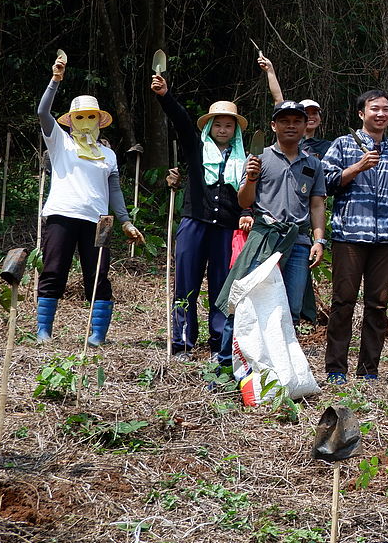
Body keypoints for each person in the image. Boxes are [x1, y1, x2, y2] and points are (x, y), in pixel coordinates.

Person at [36, 53, 144, 345]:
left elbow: (115, 190)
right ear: (71, 121)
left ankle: (97, 335)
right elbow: (43, 113)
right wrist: (56, 79)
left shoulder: (107, 154)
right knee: (53, 271)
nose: (85, 122)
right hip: (61, 214)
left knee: (97, 277)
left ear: (99, 120)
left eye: (90, 117)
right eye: (79, 117)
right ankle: (43, 331)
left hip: (100, 222)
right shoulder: (60, 142)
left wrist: (125, 221)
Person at [151, 72, 247, 362]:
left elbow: (249, 192)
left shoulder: (243, 158)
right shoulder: (197, 148)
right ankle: (182, 341)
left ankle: (219, 342)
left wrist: (246, 212)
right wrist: (165, 96)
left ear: (235, 130)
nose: (222, 129)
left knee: (221, 286)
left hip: (225, 228)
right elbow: (180, 120)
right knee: (186, 284)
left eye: (228, 125)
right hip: (194, 222)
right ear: (210, 127)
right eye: (217, 124)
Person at [322, 90, 388, 382]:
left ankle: (368, 371)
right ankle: (336, 368)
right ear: (361, 114)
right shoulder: (342, 145)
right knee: (343, 303)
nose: (381, 114)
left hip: (386, 240)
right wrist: (357, 167)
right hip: (349, 236)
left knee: (378, 305)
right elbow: (324, 183)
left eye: (386, 110)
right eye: (375, 109)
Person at [228, 100, 327, 325]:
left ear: (305, 126)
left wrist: (319, 240)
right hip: (264, 238)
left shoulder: (313, 164)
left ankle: (283, 357)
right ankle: (246, 355)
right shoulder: (258, 158)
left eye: (296, 121)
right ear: (274, 126)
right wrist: (252, 177)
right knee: (252, 299)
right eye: (284, 121)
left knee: (292, 306)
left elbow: (317, 204)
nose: (290, 126)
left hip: (299, 241)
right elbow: (244, 200)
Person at [256, 53, 332, 157]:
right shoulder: (288, 139)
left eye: (314, 112)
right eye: (306, 112)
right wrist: (270, 71)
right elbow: (278, 99)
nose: (311, 116)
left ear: (320, 118)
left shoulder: (328, 146)